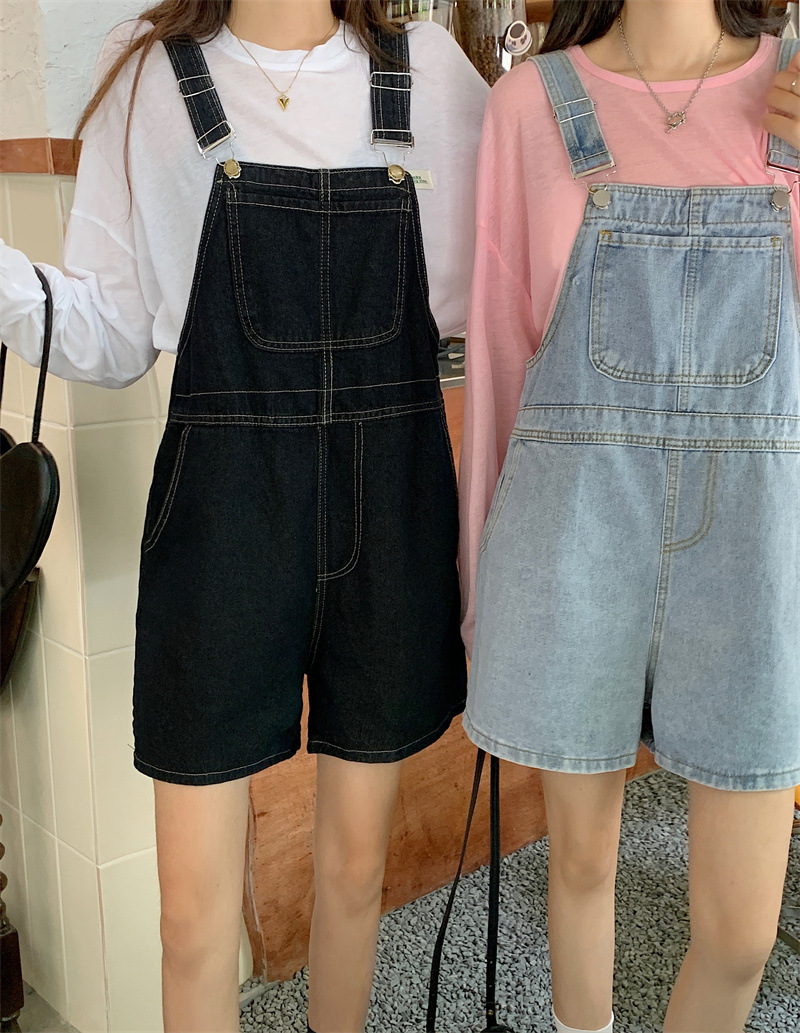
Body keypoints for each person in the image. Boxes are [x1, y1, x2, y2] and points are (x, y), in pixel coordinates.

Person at [0, 2, 488, 1030]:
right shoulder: (149, 79)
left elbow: (504, 281)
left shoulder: (434, 74)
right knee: (191, 919)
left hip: (391, 520)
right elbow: (112, 333)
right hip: (222, 522)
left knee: (353, 871)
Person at [459, 1, 799, 1031]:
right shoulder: (529, 108)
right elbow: (498, 365)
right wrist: (484, 597)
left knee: (740, 936)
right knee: (578, 865)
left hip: (756, 547)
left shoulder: (791, 90)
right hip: (574, 534)